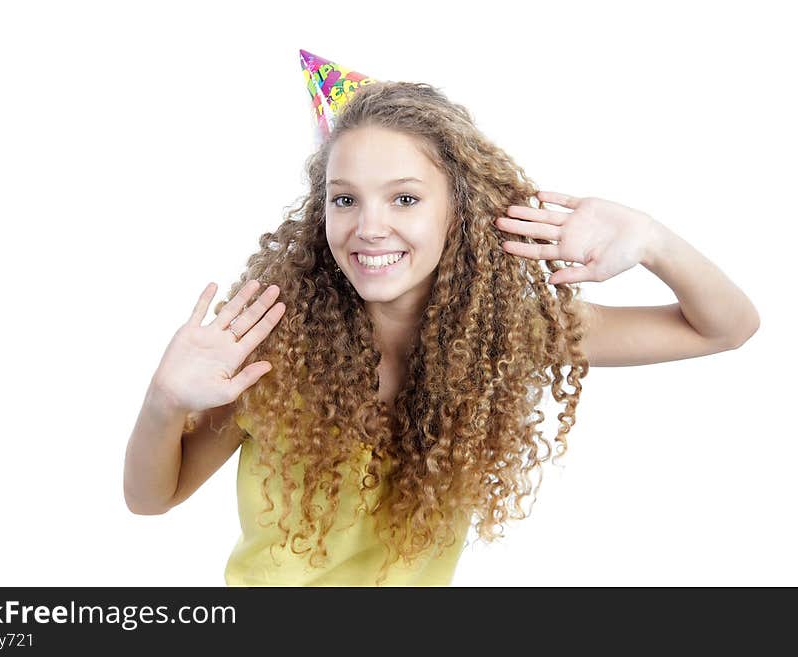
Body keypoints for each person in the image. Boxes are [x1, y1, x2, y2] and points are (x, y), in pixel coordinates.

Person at [123, 60, 760, 587]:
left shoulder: (508, 335)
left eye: (404, 197)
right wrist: (163, 401)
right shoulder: (275, 343)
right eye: (345, 199)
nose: (369, 226)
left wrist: (653, 240)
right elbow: (152, 498)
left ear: (458, 209)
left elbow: (725, 328)